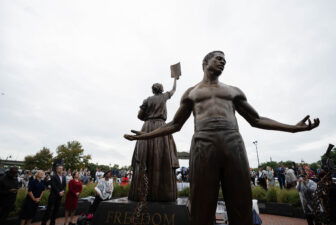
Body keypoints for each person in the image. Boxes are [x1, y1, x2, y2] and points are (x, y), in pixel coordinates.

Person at [124, 51, 320, 225]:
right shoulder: (191, 92)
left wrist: (292, 128)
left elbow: (257, 119)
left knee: (241, 203)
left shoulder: (233, 91)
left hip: (233, 143)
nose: (223, 62)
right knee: (201, 206)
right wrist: (146, 136)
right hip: (203, 144)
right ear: (205, 62)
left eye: (225, 61)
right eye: (219, 59)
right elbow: (175, 124)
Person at [128, 77, 179, 202]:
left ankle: (140, 193)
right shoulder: (164, 96)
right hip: (161, 127)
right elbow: (173, 90)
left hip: (147, 127)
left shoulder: (147, 100)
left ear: (153, 90)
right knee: (163, 157)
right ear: (161, 90)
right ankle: (161, 193)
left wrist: (148, 117)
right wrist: (175, 79)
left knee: (145, 156)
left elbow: (139, 115)